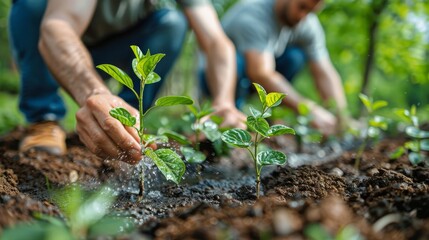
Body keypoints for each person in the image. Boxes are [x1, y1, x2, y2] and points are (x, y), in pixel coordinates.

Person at [8, 0, 246, 164]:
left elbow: (217, 42)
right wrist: (94, 92)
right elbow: (57, 27)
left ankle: (127, 125)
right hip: (62, 49)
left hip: (115, 46)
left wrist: (224, 100)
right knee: (32, 5)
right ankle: (44, 118)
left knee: (172, 23)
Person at [220, 0, 349, 136]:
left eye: (310, 11)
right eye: (302, 7)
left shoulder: (307, 23)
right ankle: (233, 122)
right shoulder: (253, 15)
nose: (302, 16)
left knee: (295, 57)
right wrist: (309, 109)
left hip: (257, 77)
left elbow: (324, 71)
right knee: (236, 62)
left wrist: (342, 118)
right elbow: (260, 73)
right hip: (218, 78)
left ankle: (275, 116)